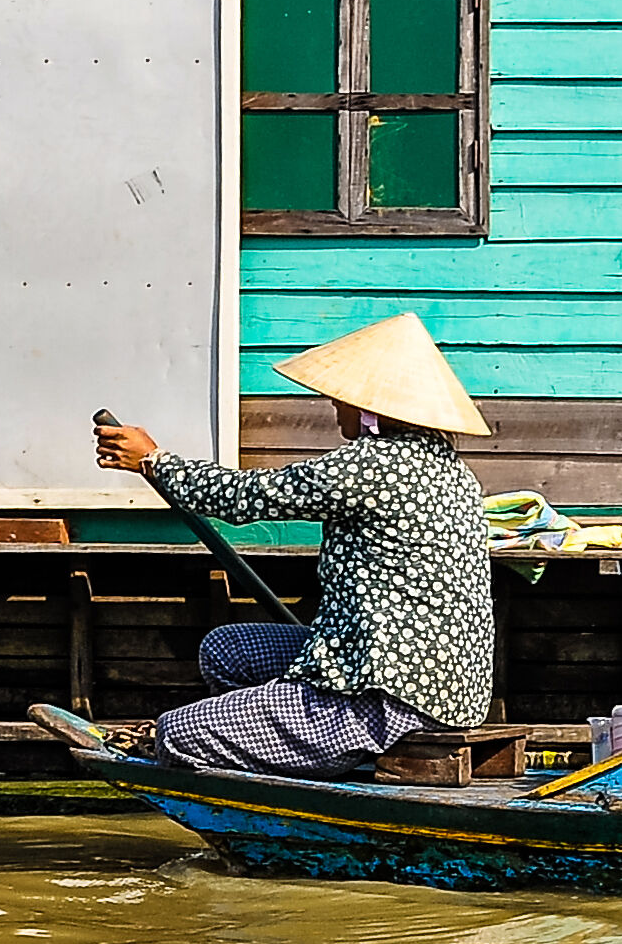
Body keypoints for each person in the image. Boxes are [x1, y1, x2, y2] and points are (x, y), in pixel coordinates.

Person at [86, 313, 497, 779]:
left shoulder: (374, 464)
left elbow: (245, 498)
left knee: (177, 734)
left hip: (385, 694)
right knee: (228, 650)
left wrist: (155, 461)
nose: (333, 407)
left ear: (371, 410)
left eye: (341, 399)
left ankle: (317, 748)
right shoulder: (453, 470)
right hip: (423, 678)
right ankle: (292, 749)